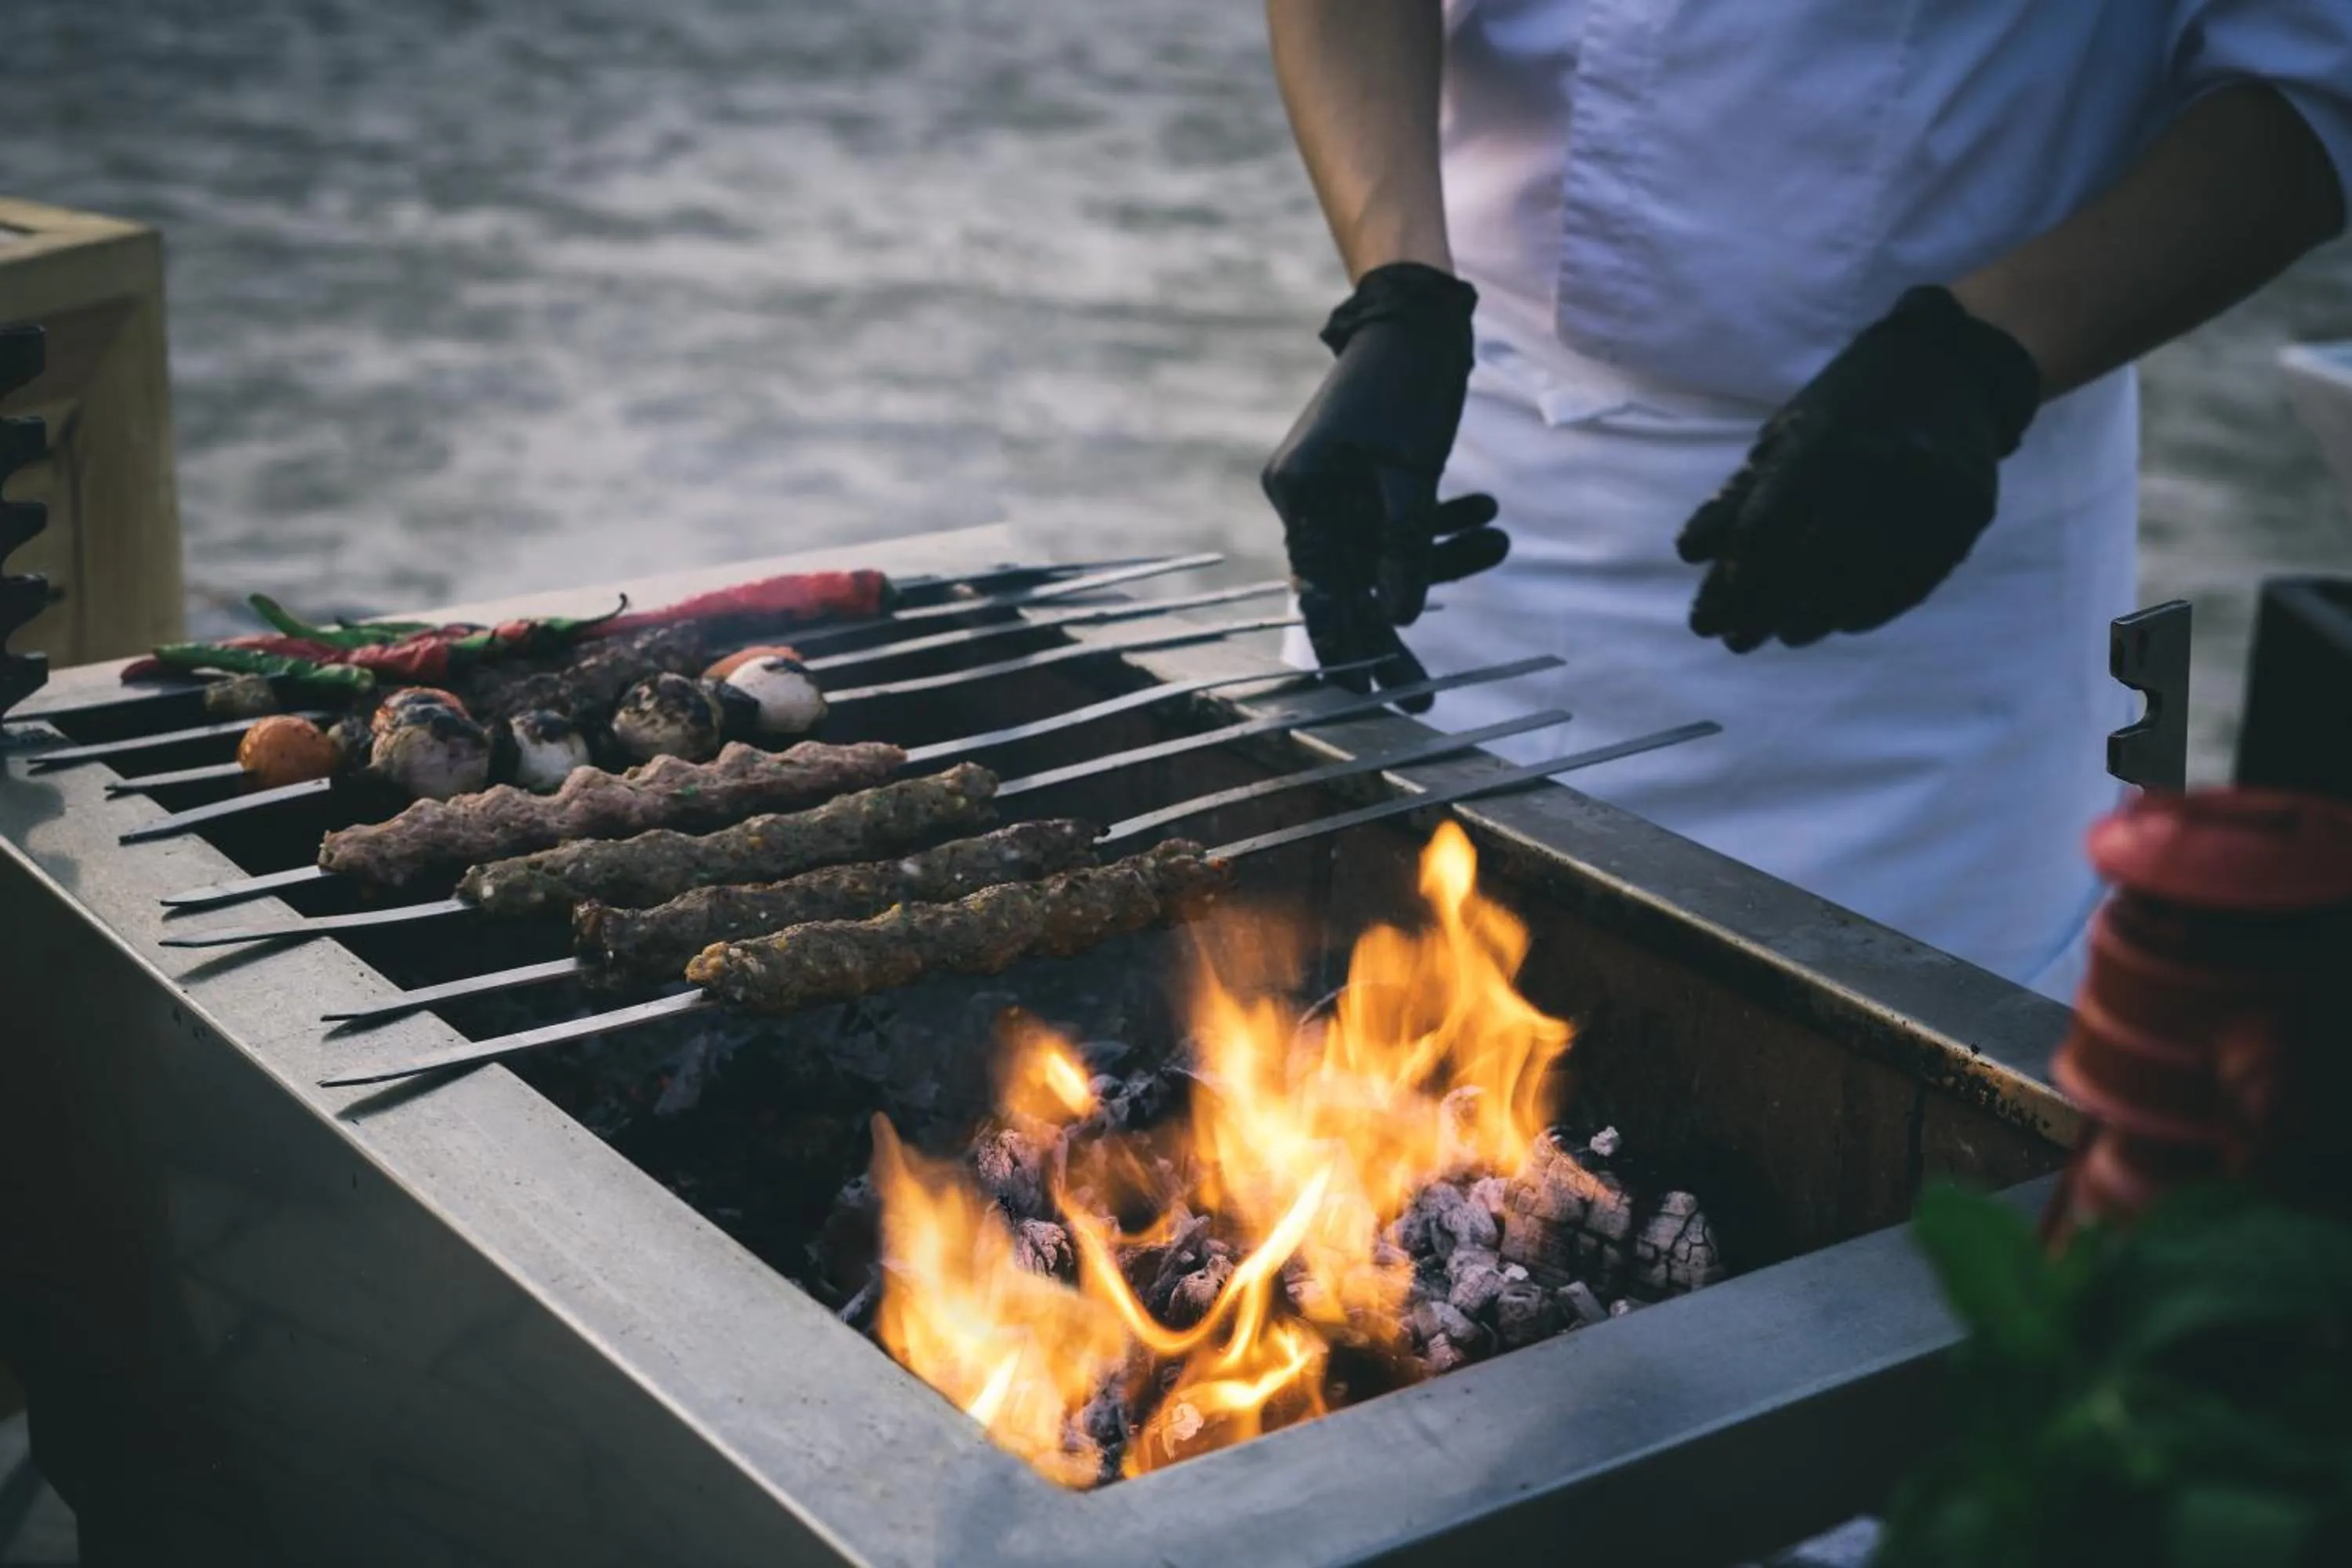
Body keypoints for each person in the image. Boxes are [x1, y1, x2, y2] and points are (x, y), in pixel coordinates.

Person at [1260, 0, 2352, 1000]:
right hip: (1463, 467)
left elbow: (2315, 78)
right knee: (1325, 1034)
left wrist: (1979, 362)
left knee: (1922, 1132)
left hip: (1918, 550)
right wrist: (1395, 291)